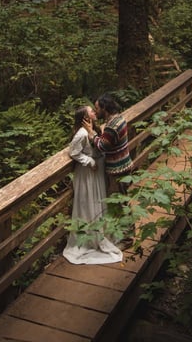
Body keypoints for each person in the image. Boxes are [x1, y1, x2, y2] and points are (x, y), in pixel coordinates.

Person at [62, 105, 123, 265]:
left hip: (97, 172)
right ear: (84, 117)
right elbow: (73, 152)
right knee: (88, 203)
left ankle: (100, 232)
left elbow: (99, 144)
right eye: (91, 111)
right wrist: (89, 161)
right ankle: (89, 237)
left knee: (99, 201)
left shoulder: (92, 129)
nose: (94, 112)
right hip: (88, 173)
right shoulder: (81, 133)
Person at [83, 93, 134, 248]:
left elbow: (102, 145)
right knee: (122, 201)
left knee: (122, 204)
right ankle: (121, 234)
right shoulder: (118, 118)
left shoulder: (112, 126)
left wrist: (91, 133)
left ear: (105, 108)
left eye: (97, 108)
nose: (95, 111)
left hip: (118, 169)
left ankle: (127, 239)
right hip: (124, 165)